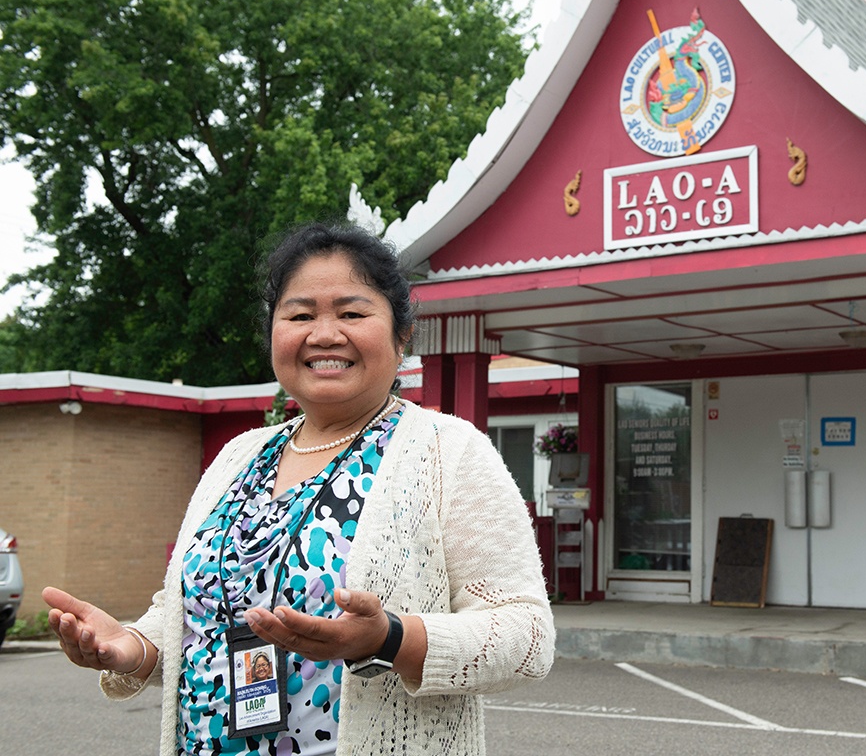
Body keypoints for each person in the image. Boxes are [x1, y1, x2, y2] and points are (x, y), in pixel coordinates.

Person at [43, 221, 554, 755]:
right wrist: (132, 646)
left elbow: (526, 636)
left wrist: (390, 639)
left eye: (353, 313)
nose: (324, 334)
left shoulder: (447, 450)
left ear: (401, 336)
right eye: (300, 314)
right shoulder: (238, 456)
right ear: (274, 333)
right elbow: (197, 617)